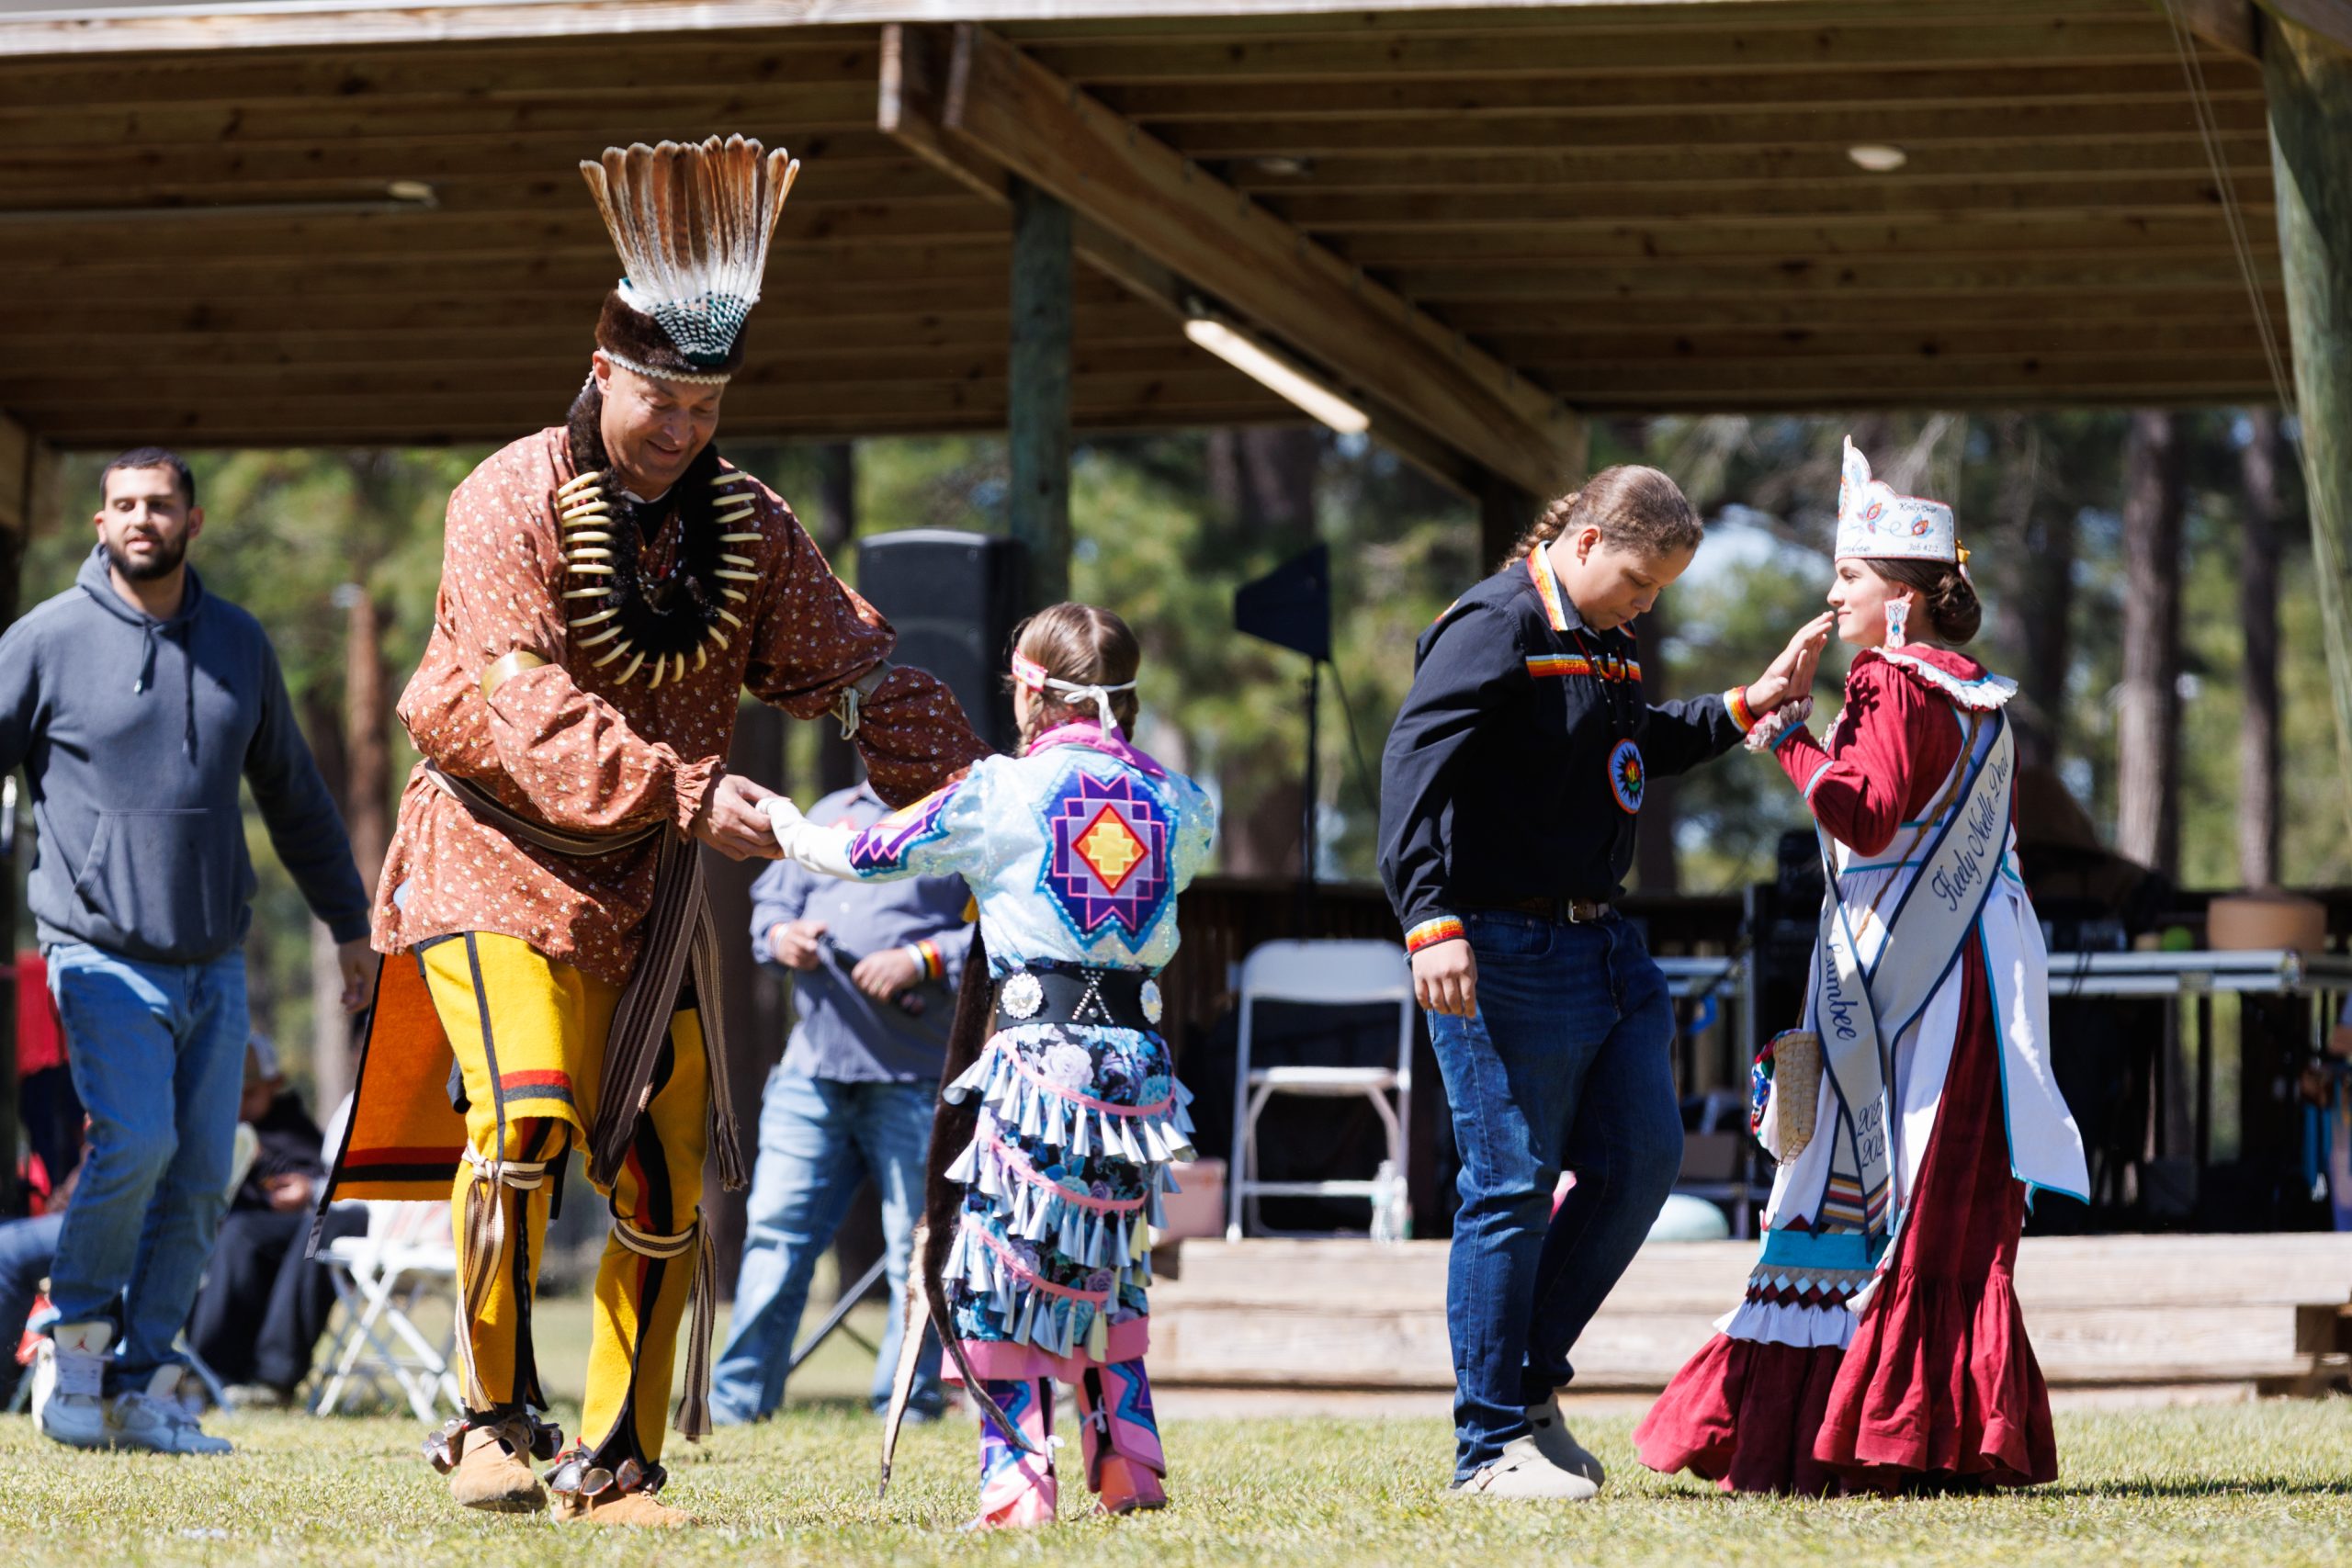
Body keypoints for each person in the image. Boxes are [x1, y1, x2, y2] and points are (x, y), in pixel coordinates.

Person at [317, 135, 988, 1529]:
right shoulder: (505, 499)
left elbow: (841, 665)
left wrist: (982, 790)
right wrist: (689, 789)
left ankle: (615, 1461)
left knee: (670, 1161)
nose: (681, 427)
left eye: (707, 402)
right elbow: (522, 707)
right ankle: (493, 1418)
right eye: (659, 398)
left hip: (653, 888)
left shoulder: (745, 518)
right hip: (493, 852)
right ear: (603, 367)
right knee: (525, 1121)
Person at [1634, 436, 2088, 1495]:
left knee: (1857, 1174)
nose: (1831, 595)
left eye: (1848, 575)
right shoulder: (1974, 689)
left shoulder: (1888, 679)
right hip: (1972, 976)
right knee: (1937, 1191)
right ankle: (1935, 1427)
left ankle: (1858, 1427)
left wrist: (1786, 736)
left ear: (1905, 597)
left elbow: (1867, 818)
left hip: (1905, 984)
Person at [1375, 466, 1819, 1500]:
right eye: (1638, 578)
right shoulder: (1493, 624)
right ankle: (1487, 1448)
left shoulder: (1602, 638)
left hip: (1604, 948)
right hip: (1497, 947)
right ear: (1585, 541)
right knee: (1511, 1186)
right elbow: (1410, 766)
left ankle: (1526, 1390)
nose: (1645, 604)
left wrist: (1749, 702)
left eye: (1660, 589)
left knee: (1640, 1162)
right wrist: (1428, 919)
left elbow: (1634, 746)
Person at [765, 604, 1216, 1529]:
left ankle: (1017, 1486)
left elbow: (856, 853)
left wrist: (775, 817)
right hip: (1136, 1070)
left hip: (1040, 1067)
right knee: (1105, 1260)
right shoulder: (1184, 803)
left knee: (998, 1269)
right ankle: (1127, 1459)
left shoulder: (998, 793)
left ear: (1031, 688)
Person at [0, 446, 374, 1456]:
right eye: (122, 504)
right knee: (140, 1142)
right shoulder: (44, 641)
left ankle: (140, 1385)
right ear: (99, 523)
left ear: (192, 522)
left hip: (214, 957)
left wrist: (351, 927)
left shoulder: (240, 646)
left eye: (159, 504)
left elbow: (296, 797)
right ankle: (70, 1356)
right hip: (96, 950)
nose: (140, 519)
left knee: (209, 1168)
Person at [708, 777, 968, 1427]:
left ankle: (908, 1403)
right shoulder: (828, 812)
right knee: (774, 1236)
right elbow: (767, 910)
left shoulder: (960, 817)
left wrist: (923, 957)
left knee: (921, 1246)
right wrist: (781, 938)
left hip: (915, 1079)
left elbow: (1003, 929)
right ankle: (737, 1404)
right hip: (812, 1075)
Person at [186, 1037, 365, 1405]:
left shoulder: (290, 1127)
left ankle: (275, 1374)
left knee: (313, 1228)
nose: (239, 1103)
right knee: (241, 1232)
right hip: (243, 1234)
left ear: (275, 1084)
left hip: (334, 1223)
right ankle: (211, 1366)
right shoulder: (212, 1124)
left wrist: (308, 1189)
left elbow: (322, 1176)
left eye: (249, 1093)